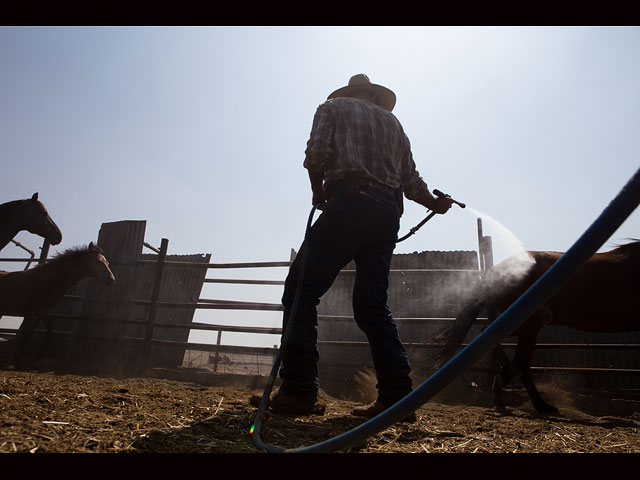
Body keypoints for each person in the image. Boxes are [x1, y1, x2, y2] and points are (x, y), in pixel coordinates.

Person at [262, 74, 453, 420]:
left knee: (300, 290)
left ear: (351, 93)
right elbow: (411, 180)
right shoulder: (394, 124)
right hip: (387, 214)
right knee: (372, 306)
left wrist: (317, 190)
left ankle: (299, 390)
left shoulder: (333, 107)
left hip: (351, 202)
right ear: (375, 98)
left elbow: (316, 153)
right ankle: (397, 396)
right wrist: (434, 203)